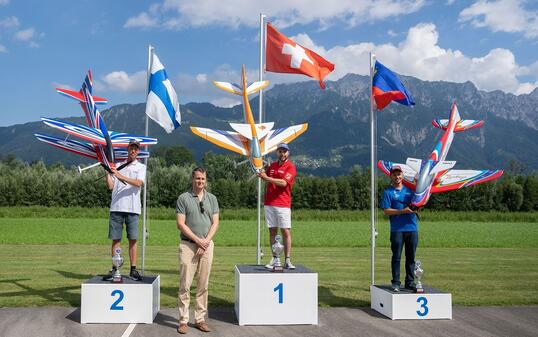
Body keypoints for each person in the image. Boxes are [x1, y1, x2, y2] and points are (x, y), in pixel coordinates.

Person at [176, 167, 219, 334]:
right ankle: (183, 320)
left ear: (206, 180)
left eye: (203, 179)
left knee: (203, 284)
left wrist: (205, 242)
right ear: (192, 179)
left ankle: (200, 319)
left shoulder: (212, 199)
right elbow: (180, 224)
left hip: (207, 246)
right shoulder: (183, 198)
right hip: (188, 245)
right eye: (197, 178)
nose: (200, 181)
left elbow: (215, 222)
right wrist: (197, 241)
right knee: (185, 284)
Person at [103, 139, 146, 281]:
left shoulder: (140, 167)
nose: (133, 150)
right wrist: (107, 172)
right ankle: (115, 268)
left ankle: (133, 269)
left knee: (133, 239)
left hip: (133, 208)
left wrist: (120, 176)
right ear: (127, 149)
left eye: (136, 148)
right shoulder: (118, 166)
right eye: (131, 148)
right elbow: (110, 186)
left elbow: (138, 183)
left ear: (138, 151)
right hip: (116, 207)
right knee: (116, 239)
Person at [258, 143, 297, 270]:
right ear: (277, 153)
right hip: (269, 204)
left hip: (283, 204)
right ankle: (275, 259)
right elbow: (264, 175)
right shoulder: (272, 166)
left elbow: (283, 183)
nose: (282, 154)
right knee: (272, 231)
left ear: (288, 153)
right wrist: (259, 168)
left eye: (285, 151)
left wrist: (267, 177)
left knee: (285, 231)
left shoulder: (290, 167)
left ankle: (287, 260)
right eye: (280, 151)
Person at [380, 166, 419, 292]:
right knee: (396, 257)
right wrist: (403, 211)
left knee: (411, 257)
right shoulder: (388, 192)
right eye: (394, 175)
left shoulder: (410, 191)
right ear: (391, 176)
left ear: (402, 176)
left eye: (399, 174)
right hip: (397, 230)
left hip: (412, 229)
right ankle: (396, 282)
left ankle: (410, 282)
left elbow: (419, 203)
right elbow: (386, 211)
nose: (397, 177)